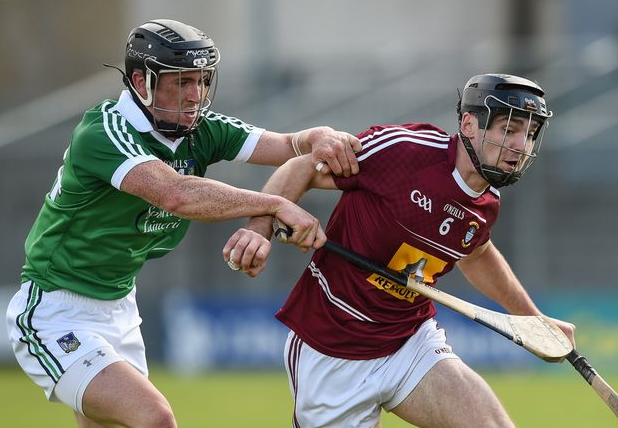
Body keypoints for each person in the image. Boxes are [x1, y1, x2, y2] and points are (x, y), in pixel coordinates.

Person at [5, 19, 361, 428]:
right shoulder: (105, 131)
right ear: (141, 81)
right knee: (155, 418)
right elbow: (175, 193)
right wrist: (277, 205)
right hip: (55, 310)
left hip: (120, 307)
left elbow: (284, 145)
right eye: (181, 82)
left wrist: (315, 136)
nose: (196, 96)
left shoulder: (200, 130)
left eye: (202, 81)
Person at [230, 73, 577, 427]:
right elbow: (300, 167)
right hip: (332, 348)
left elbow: (475, 253)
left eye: (531, 134)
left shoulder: (487, 201)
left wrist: (533, 320)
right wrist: (260, 229)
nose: (521, 145)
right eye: (510, 129)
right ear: (470, 124)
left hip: (410, 343)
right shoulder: (403, 151)